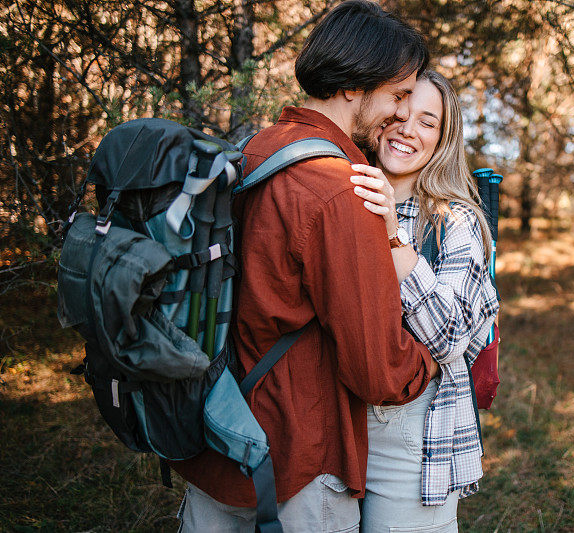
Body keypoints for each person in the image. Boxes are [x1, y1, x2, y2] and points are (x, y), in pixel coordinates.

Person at [170, 2, 439, 531]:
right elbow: (376, 368)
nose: (399, 112)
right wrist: (429, 360)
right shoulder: (342, 187)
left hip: (217, 431)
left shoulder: (255, 150)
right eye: (398, 93)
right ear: (355, 85)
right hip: (295, 458)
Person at [350, 70, 500, 531]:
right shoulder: (342, 194)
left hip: (415, 437)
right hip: (338, 422)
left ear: (443, 138)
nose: (407, 128)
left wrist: (394, 237)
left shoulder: (454, 221)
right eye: (400, 110)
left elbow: (451, 336)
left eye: (427, 121)